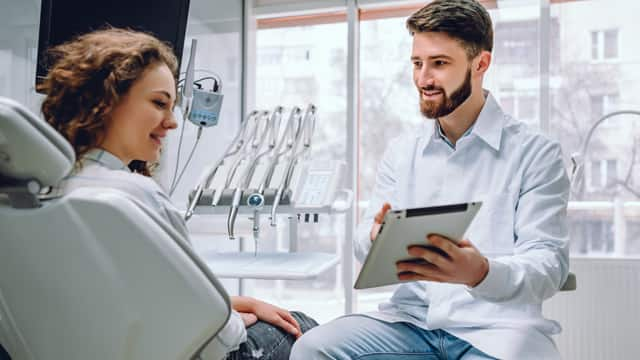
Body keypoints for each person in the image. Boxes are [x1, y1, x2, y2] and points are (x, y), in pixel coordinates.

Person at [290, 1, 570, 359]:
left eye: (439, 63)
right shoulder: (402, 151)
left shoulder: (536, 152)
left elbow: (549, 265)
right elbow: (363, 241)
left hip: (498, 329)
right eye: (417, 63)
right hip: (412, 323)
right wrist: (377, 237)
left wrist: (481, 273)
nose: (423, 79)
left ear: (480, 63)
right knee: (313, 349)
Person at [37, 27, 317, 360]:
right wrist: (237, 320)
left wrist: (235, 304)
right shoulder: (134, 195)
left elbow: (128, 298)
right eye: (159, 103)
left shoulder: (40, 194)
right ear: (106, 101)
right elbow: (217, 340)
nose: (172, 122)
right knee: (303, 325)